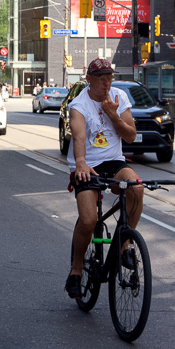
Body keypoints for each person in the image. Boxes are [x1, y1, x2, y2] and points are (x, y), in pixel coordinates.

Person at [64, 58, 143, 300]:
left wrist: (114, 115)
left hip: (114, 161)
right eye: (101, 79)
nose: (106, 83)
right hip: (88, 163)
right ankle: (76, 271)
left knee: (136, 187)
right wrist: (80, 163)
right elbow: (78, 137)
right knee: (88, 220)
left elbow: (131, 136)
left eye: (109, 78)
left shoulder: (119, 97)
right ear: (89, 80)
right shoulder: (79, 105)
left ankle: (124, 245)